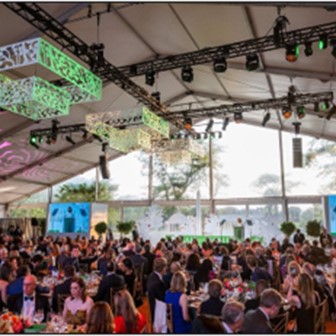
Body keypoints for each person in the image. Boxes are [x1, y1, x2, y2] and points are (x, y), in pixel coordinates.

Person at [147, 257, 167, 321]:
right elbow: (163, 299)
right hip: (158, 312)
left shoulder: (151, 276)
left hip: (153, 308)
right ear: (163, 268)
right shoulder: (158, 283)